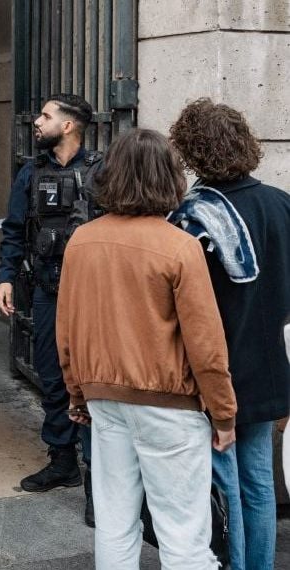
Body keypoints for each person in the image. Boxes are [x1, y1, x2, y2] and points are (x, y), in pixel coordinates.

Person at [56, 128, 237, 569]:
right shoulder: (180, 247)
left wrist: (77, 394)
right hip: (170, 405)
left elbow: (67, 331)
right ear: (168, 178)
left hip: (105, 400)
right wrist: (224, 413)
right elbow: (206, 344)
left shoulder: (82, 240)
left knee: (115, 523)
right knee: (183, 534)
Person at [169, 99, 290, 570]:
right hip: (269, 365)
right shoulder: (282, 203)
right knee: (258, 480)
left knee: (222, 485)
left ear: (192, 151)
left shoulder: (192, 216)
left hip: (214, 367)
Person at [0, 93, 102, 524]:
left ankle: (100, 482)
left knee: (94, 381)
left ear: (70, 125)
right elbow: (15, 229)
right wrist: (5, 276)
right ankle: (62, 462)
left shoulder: (103, 170)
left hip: (93, 295)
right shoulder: (30, 171)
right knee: (52, 375)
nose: (36, 122)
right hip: (47, 290)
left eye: (45, 116)